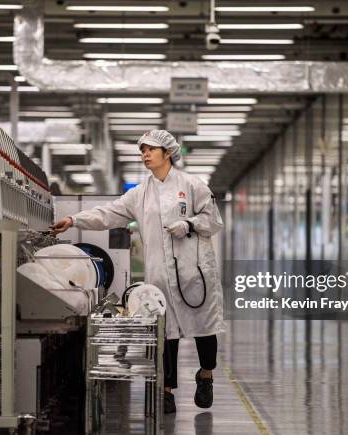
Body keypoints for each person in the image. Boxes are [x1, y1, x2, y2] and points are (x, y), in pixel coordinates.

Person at [51, 129, 225, 414]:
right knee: (164, 331)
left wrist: (189, 225)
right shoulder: (140, 194)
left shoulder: (192, 185)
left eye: (150, 150)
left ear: (167, 152)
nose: (144, 155)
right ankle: (166, 390)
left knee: (204, 327)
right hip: (159, 273)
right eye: (142, 151)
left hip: (193, 272)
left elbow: (213, 220)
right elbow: (108, 212)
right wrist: (73, 219)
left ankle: (206, 375)